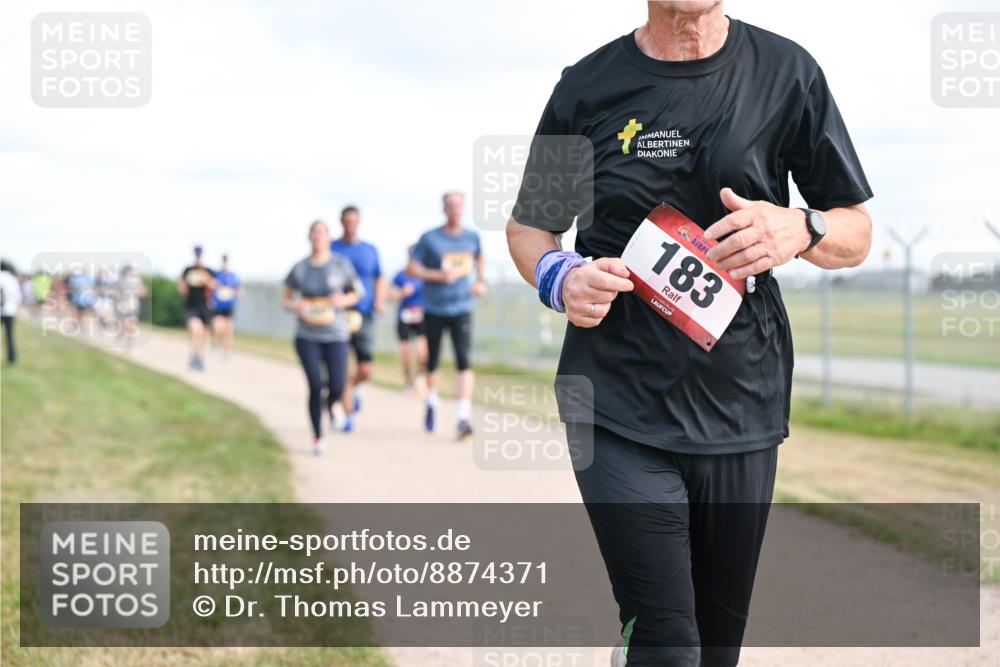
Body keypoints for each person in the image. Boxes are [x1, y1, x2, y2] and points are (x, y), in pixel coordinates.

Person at [505, 2, 873, 665]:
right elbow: (532, 227)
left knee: (716, 644)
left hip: (741, 400)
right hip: (615, 399)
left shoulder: (788, 73)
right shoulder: (587, 86)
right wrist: (562, 278)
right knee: (667, 640)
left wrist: (802, 227)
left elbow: (856, 231)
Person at [408, 192, 486, 439]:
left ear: (463, 209)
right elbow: (412, 267)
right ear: (444, 209)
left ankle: (463, 416)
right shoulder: (430, 238)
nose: (454, 210)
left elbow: (479, 257)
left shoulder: (472, 237)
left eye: (458, 206)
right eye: (450, 206)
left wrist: (480, 280)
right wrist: (437, 276)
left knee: (463, 360)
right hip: (433, 308)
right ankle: (431, 401)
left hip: (461, 307)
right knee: (432, 361)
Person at [284, 220, 363, 455]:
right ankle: (318, 436)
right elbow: (286, 299)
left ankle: (333, 405)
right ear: (309, 236)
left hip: (336, 334)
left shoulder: (341, 264)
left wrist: (343, 301)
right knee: (315, 385)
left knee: (337, 385)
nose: (318, 236)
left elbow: (357, 293)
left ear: (329, 237)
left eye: (323, 232)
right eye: (315, 232)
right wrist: (297, 305)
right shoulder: (299, 268)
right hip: (307, 335)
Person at [331, 205, 385, 432]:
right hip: (338, 314)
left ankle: (351, 388)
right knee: (341, 365)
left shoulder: (370, 250)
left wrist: (379, 300)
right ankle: (348, 412)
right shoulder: (333, 249)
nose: (351, 226)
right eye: (347, 221)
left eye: (354, 221)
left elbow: (379, 277)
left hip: (364, 313)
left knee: (366, 370)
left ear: (359, 222)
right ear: (341, 222)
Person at [389, 247, 427, 393]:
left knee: (423, 352)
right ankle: (408, 382)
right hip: (404, 316)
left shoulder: (425, 275)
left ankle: (420, 378)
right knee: (406, 353)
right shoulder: (400, 275)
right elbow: (389, 294)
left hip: (421, 316)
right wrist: (401, 292)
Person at [177, 246, 216, 371]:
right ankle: (193, 356)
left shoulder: (208, 270)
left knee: (203, 334)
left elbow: (214, 286)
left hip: (204, 306)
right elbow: (182, 291)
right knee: (195, 330)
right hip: (192, 306)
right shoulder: (188, 270)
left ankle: (199, 357)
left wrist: (205, 279)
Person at [211, 254, 243, 358]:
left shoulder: (233, 276)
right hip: (218, 306)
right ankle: (217, 341)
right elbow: (210, 287)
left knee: (229, 329)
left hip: (229, 306)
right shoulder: (216, 275)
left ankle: (226, 351)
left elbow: (239, 290)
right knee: (218, 327)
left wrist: (239, 294)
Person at [116, 264, 147, 345]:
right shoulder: (121, 281)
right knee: (124, 322)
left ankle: (130, 339)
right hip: (123, 305)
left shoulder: (138, 280)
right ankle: (123, 333)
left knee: (133, 321)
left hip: (134, 304)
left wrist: (140, 292)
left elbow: (143, 291)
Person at [0, 260, 21, 366]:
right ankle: (11, 360)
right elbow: (18, 297)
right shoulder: (12, 279)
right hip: (9, 311)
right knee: (9, 336)